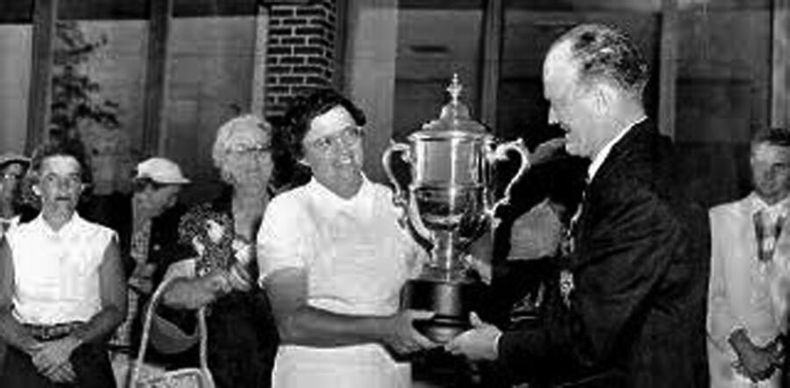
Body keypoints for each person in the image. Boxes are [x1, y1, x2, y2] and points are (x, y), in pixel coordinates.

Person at [446, 23, 710, 387]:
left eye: (557, 102)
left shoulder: (637, 189)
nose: (552, 119)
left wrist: (498, 346)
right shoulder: (629, 168)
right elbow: (586, 288)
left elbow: (590, 340)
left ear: (600, 98)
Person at [256, 89, 437, 388]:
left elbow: (428, 280)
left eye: (349, 134)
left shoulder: (398, 204)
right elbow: (292, 323)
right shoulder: (287, 211)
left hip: (390, 377)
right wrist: (386, 328)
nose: (343, 150)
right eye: (325, 142)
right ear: (302, 156)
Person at [155, 115, 279, 388]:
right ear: (224, 163)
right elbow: (170, 294)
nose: (254, 159)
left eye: (263, 149)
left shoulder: (296, 216)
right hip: (214, 370)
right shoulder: (201, 220)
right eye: (242, 150)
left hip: (286, 369)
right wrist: (212, 284)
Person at [0, 141, 126, 387]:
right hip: (25, 354)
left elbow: (115, 309)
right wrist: (38, 352)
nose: (63, 186)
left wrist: (68, 345)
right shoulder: (14, 240)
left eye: (72, 178)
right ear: (36, 187)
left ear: (82, 187)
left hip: (83, 354)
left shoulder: (103, 239)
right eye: (52, 178)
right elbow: (0, 309)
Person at [92, 157, 191, 383]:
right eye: (169, 196)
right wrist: (136, 268)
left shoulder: (167, 225)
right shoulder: (108, 210)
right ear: (145, 189)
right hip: (98, 338)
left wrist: (151, 277)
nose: (173, 204)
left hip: (134, 346)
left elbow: (166, 272)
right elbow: (98, 258)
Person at [707, 128, 790, 387]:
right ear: (750, 163)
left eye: (779, 166)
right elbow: (710, 296)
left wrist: (774, 352)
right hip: (726, 365)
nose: (768, 175)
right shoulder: (718, 219)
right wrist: (745, 350)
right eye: (761, 164)